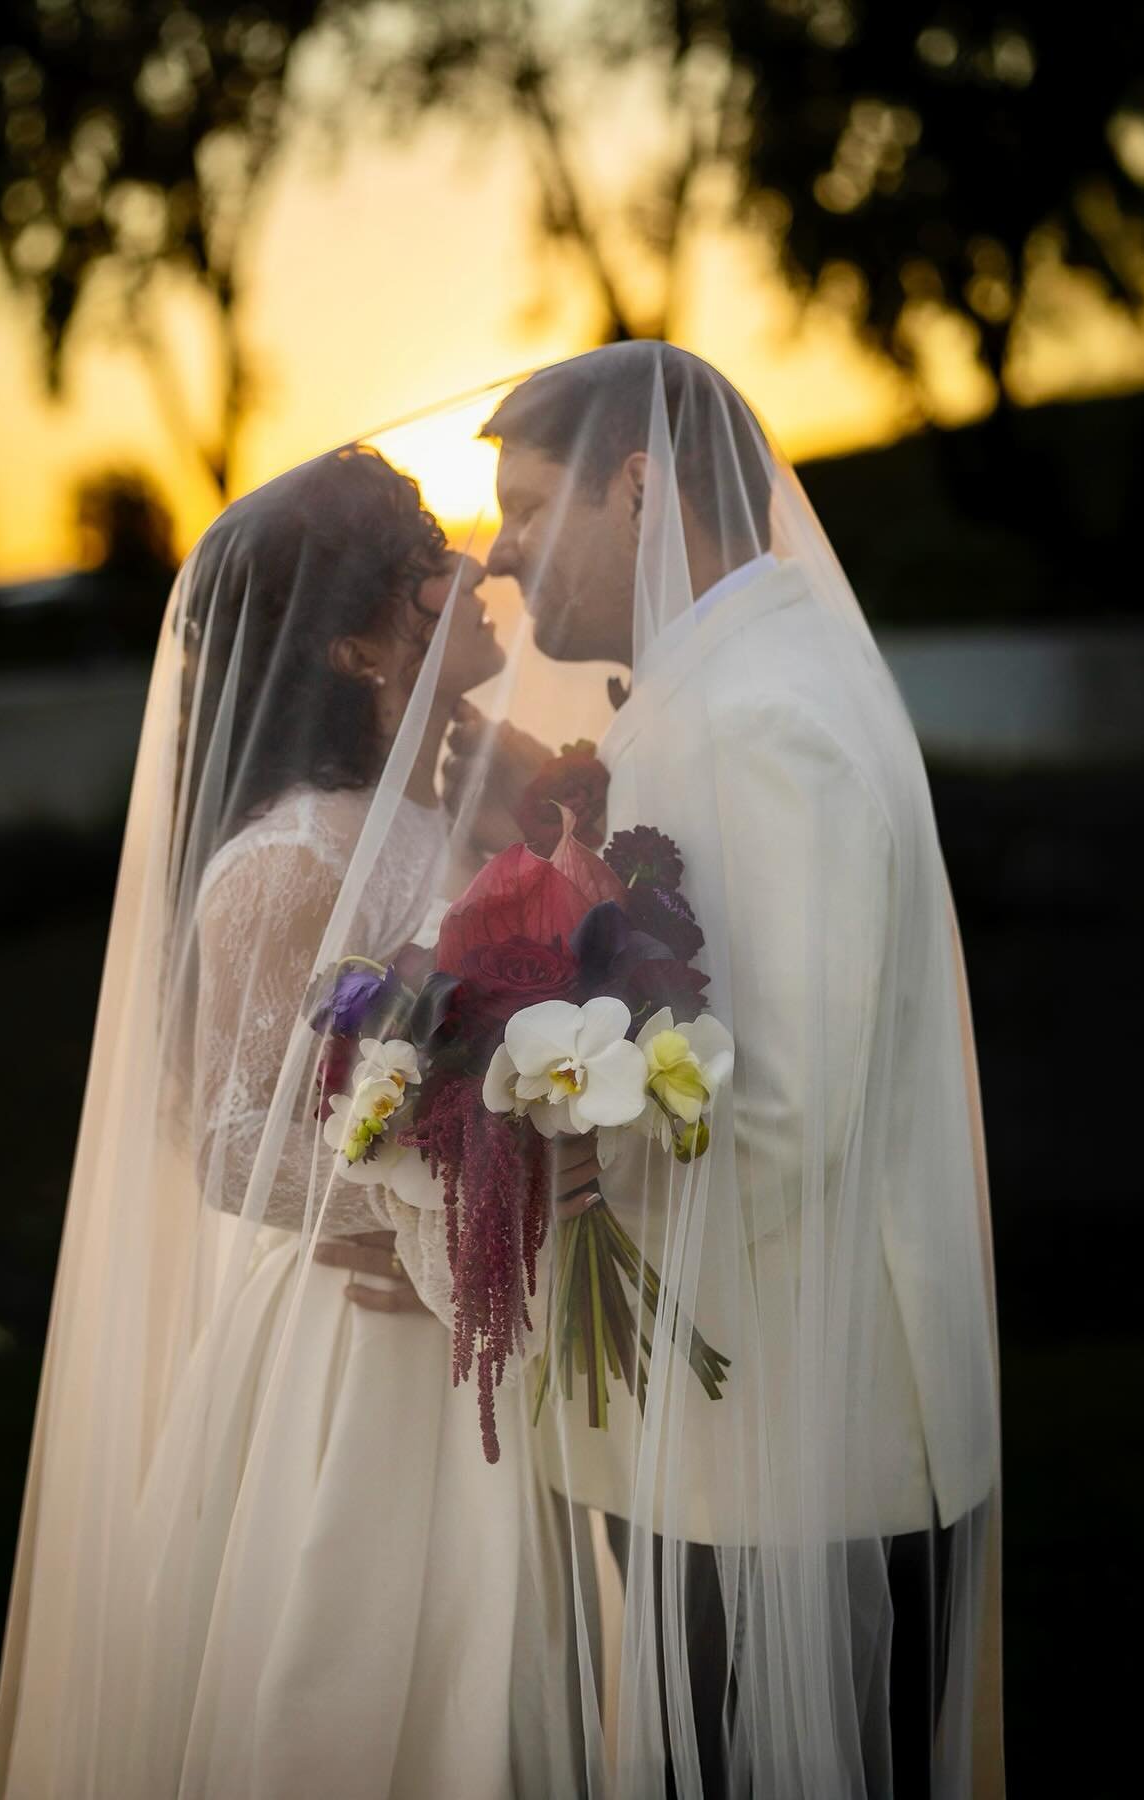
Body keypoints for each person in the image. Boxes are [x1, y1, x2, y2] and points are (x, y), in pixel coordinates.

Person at [441, 342, 1004, 1797]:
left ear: (639, 487)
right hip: (735, 1437)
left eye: (525, 503)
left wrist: (550, 1160)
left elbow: (784, 1109)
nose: (497, 552)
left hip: (799, 1460)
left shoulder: (762, 722)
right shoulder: (724, 686)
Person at [0, 446, 583, 1799]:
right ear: (351, 649)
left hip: (482, 1316)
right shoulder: (287, 860)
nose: (472, 566)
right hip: (364, 1354)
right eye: (428, 561)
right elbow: (235, 1139)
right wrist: (429, 1193)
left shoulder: (441, 812)